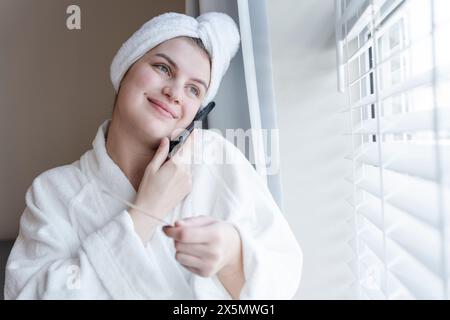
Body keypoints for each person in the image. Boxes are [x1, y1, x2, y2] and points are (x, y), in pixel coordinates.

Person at [4, 12, 302, 300]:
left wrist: (233, 254)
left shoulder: (215, 158)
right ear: (126, 69)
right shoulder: (53, 192)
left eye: (194, 89)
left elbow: (284, 278)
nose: (175, 93)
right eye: (163, 68)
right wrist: (146, 212)